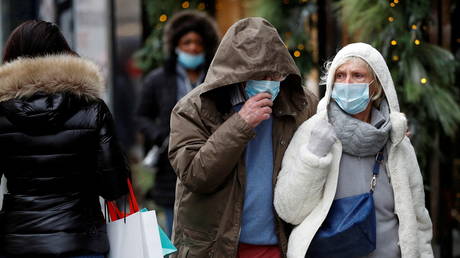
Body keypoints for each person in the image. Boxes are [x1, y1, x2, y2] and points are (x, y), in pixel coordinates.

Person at [168, 17, 318, 258]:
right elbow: (195, 175)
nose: (269, 83)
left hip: (281, 244)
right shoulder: (193, 108)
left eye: (275, 75)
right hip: (215, 247)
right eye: (259, 75)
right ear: (236, 73)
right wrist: (241, 123)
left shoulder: (301, 103)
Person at [274, 42, 433, 258]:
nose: (347, 83)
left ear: (375, 87)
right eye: (340, 75)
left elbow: (419, 220)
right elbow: (289, 211)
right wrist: (313, 155)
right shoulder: (313, 132)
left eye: (357, 75)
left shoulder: (397, 143)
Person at [0, 20, 130, 257]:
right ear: (63, 53)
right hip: (81, 241)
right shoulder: (92, 108)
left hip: (18, 243)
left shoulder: (2, 114)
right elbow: (114, 186)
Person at [136, 10, 219, 237]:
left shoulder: (216, 78)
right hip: (170, 167)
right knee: (175, 231)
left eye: (198, 43)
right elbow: (141, 116)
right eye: (187, 42)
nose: (193, 47)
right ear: (175, 45)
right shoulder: (157, 79)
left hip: (212, 161)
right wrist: (160, 137)